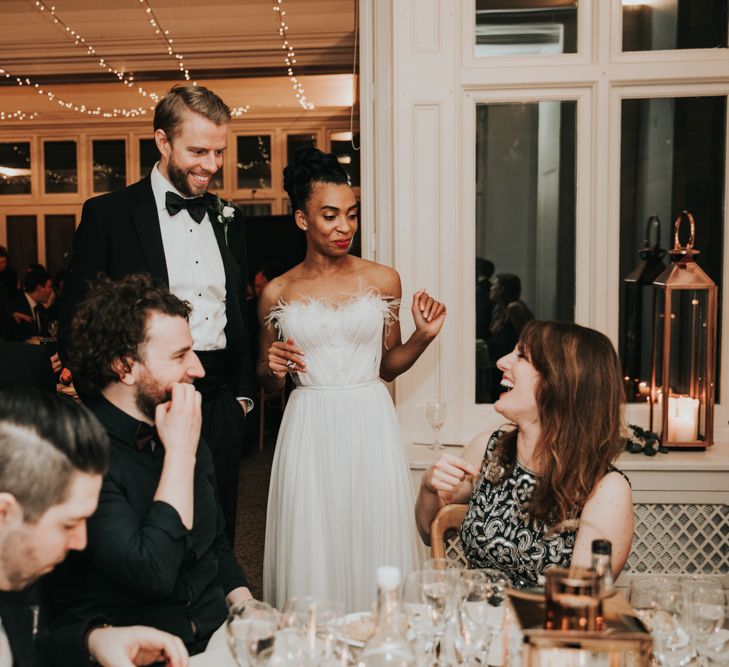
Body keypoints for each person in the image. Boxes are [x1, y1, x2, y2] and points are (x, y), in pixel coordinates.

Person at [60, 84, 255, 544]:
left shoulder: (229, 218)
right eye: (199, 151)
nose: (212, 165)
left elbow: (237, 308)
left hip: (221, 400)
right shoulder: (108, 215)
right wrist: (111, 406)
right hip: (144, 405)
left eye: (219, 152)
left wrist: (241, 400)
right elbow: (76, 320)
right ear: (163, 142)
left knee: (218, 530)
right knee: (153, 531)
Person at [258, 147, 447, 612]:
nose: (344, 227)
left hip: (369, 419)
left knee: (373, 530)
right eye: (329, 215)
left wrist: (423, 338)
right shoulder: (277, 292)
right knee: (314, 538)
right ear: (302, 220)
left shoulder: (384, 280)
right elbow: (266, 381)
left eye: (351, 214)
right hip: (309, 423)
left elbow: (387, 365)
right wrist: (274, 368)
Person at [48, 274, 251, 655]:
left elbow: (215, 544)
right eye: (179, 356)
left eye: (192, 351)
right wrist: (179, 456)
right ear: (125, 367)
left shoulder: (178, 420)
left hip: (218, 639)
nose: (199, 370)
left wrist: (246, 605)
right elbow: (152, 572)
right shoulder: (78, 454)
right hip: (140, 653)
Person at [415, 321, 633, 588]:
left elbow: (579, 602)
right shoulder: (489, 451)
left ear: (560, 382)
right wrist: (428, 486)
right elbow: (428, 531)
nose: (501, 362)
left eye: (521, 356)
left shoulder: (605, 489)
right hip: (478, 621)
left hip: (545, 626)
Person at [0, 387, 188, 667]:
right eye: (68, 524)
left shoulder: (16, 572)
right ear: (4, 513)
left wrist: (93, 640)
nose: (80, 541)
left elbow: (23, 647)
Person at [487, 272, 533, 400]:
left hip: (510, 367)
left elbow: (527, 338)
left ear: (502, 289)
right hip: (499, 365)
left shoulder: (514, 308)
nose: (491, 288)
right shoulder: (500, 309)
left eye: (494, 285)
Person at [9, 266, 55, 342]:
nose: (51, 290)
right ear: (39, 288)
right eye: (49, 286)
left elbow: (42, 338)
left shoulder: (40, 308)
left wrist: (54, 340)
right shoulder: (16, 307)